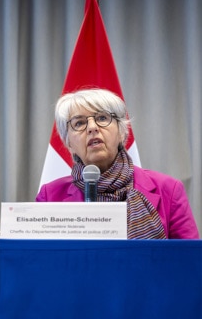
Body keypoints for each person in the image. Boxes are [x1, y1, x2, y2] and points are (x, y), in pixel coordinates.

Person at [36, 88, 199, 239]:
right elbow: (39, 261)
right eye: (79, 123)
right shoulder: (49, 196)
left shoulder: (168, 190)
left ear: (122, 132)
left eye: (102, 118)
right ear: (69, 144)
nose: (92, 127)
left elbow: (190, 262)